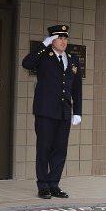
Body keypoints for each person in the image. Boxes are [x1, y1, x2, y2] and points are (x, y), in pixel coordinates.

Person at [21, 25, 82, 199]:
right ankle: (43, 185)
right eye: (59, 38)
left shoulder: (72, 59)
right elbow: (27, 63)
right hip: (45, 111)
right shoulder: (43, 57)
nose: (63, 41)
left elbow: (77, 87)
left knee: (60, 149)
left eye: (65, 38)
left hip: (64, 111)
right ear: (52, 40)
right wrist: (43, 45)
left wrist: (77, 111)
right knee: (44, 149)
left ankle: (54, 183)